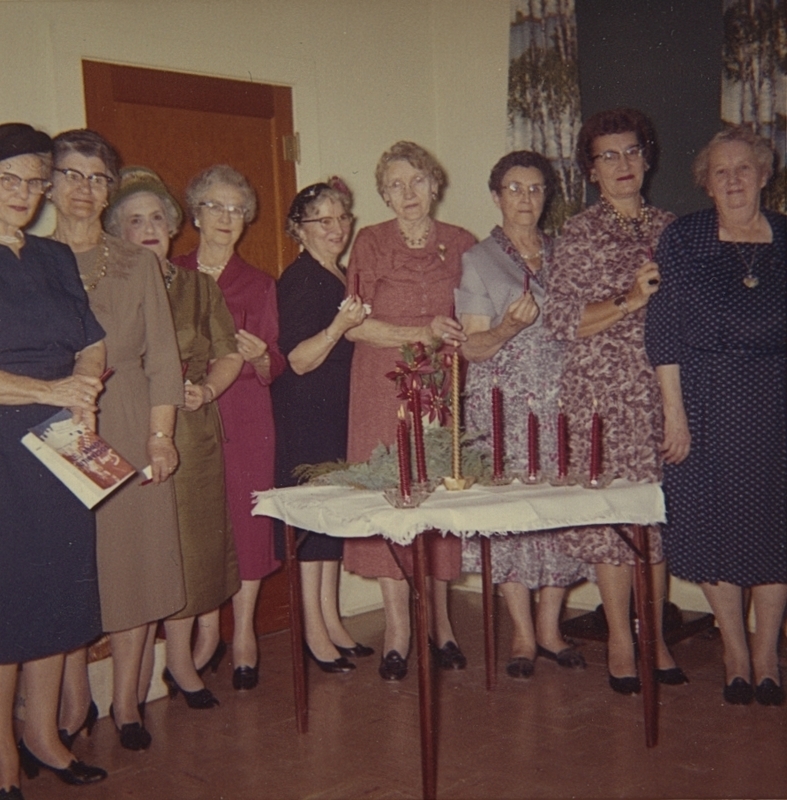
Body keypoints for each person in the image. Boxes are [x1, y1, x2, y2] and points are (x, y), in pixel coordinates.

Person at [50, 130, 185, 750]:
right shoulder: (25, 258)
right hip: (53, 427)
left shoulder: (136, 263)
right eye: (72, 175)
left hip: (130, 416)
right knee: (71, 567)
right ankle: (71, 700)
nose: (84, 189)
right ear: (50, 183)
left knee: (138, 566)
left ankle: (128, 700)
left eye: (97, 177)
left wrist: (161, 438)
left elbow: (163, 357)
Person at [543, 108, 685, 694]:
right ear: (591, 171)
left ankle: (653, 639)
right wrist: (628, 300)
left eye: (631, 152)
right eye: (608, 156)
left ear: (646, 159)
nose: (622, 164)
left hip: (663, 393)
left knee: (653, 520)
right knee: (613, 527)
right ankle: (621, 644)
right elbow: (561, 323)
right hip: (602, 397)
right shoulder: (578, 234)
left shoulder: (675, 229)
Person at [645, 126, 786, 706]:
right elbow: (664, 329)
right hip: (706, 396)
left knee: (777, 523)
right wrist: (673, 414)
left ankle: (767, 651)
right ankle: (732, 649)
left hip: (778, 396)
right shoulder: (685, 238)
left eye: (744, 169)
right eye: (720, 172)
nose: (733, 180)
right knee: (715, 522)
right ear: (706, 183)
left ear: (763, 174)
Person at [105, 167, 243, 706]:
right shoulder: (107, 284)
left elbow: (229, 352)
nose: (148, 228)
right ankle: (128, 685)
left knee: (193, 550)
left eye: (158, 217)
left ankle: (181, 664)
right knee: (138, 555)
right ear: (118, 231)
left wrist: (207, 391)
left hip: (189, 433)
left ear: (173, 226)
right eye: (134, 220)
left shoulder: (197, 286)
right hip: (127, 429)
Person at [456, 151, 593, 678]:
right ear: (496, 196)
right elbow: (473, 346)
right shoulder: (478, 258)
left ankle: (551, 627)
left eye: (535, 189)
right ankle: (520, 631)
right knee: (512, 515)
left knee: (557, 509)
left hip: (559, 397)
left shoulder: (563, 254)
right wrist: (510, 327)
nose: (526, 200)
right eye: (514, 189)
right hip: (503, 401)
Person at [0, 123, 107, 797]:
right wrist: (51, 389)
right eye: (9, 179)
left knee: (53, 596)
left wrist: (87, 387)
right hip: (3, 444)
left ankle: (43, 736)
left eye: (37, 181)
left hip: (61, 442)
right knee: (7, 602)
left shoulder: (53, 258)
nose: (26, 193)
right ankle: (2, 757)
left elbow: (91, 340)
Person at [343, 141, 475, 681]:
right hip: (381, 386)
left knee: (438, 501)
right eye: (394, 185)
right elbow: (353, 324)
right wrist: (420, 334)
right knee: (391, 501)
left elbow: (476, 317)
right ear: (383, 193)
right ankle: (398, 630)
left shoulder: (463, 243)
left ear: (435, 185)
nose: (407, 194)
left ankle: (441, 624)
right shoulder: (370, 243)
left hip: (442, 386)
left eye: (416, 181)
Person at [173, 165, 285, 690]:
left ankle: (243, 635)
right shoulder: (168, 272)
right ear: (195, 214)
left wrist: (261, 357)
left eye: (236, 209)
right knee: (195, 525)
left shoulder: (260, 284)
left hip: (245, 416)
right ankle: (205, 631)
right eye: (214, 207)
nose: (225, 218)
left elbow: (275, 367)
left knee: (247, 522)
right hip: (187, 417)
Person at [272, 179, 371, 673]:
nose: (337, 228)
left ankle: (331, 621)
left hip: (334, 411)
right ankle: (313, 631)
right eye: (324, 220)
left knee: (330, 521)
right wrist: (338, 327)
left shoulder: (339, 274)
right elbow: (299, 360)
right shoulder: (301, 279)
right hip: (306, 412)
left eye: (342, 218)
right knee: (312, 525)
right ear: (299, 230)